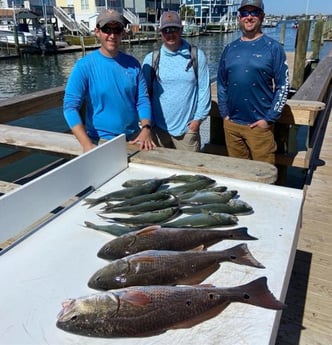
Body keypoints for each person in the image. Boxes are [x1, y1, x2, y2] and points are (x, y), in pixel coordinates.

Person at [63, 9, 156, 153]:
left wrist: (146, 128)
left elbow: (142, 100)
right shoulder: (83, 66)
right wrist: (86, 144)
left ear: (123, 33)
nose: (112, 35)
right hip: (99, 140)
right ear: (97, 32)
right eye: (107, 29)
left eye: (117, 30)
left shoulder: (133, 64)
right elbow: (70, 107)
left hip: (134, 138)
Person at [217, 0, 289, 165]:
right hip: (232, 125)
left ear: (262, 16)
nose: (249, 17)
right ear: (239, 17)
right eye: (245, 13)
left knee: (264, 175)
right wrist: (224, 114)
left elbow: (283, 86)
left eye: (254, 12)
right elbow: (221, 83)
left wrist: (269, 119)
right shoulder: (229, 48)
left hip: (259, 127)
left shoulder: (273, 47)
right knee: (237, 174)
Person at [142, 11, 211, 152]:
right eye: (166, 30)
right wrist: (149, 124)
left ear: (181, 30)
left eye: (174, 29)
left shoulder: (197, 56)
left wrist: (197, 121)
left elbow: (204, 89)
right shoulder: (151, 59)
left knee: (191, 171)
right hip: (158, 129)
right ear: (160, 32)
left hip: (187, 130)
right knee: (161, 172)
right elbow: (143, 95)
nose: (170, 34)